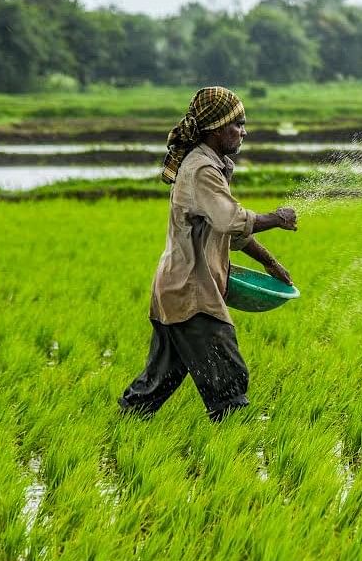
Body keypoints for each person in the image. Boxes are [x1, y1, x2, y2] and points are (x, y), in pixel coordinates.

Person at [119, 86, 297, 421]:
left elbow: (225, 230)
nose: (243, 131)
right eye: (237, 124)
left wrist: (269, 261)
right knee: (228, 380)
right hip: (191, 291)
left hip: (177, 289)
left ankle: (124, 429)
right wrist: (277, 218)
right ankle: (235, 448)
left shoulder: (211, 165)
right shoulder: (201, 169)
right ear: (216, 130)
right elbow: (231, 220)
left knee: (156, 384)